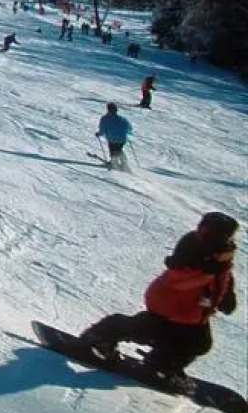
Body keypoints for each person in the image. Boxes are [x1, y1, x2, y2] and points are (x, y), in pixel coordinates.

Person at [77, 212, 238, 387]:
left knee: (183, 337)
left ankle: (153, 359)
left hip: (188, 308)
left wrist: (226, 294)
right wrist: (217, 269)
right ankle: (154, 361)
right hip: (174, 303)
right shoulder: (196, 249)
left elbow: (220, 277)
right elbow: (184, 275)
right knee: (178, 337)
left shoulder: (215, 252)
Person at [97, 102, 133, 169]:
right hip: (122, 139)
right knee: (119, 149)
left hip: (112, 139)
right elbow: (129, 128)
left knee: (113, 150)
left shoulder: (105, 119)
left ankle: (114, 163)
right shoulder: (122, 119)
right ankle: (124, 162)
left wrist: (99, 134)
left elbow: (102, 129)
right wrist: (126, 133)